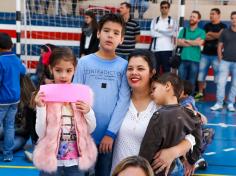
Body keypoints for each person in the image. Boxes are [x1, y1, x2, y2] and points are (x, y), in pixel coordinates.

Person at [111, 50, 197, 176]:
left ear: (152, 72)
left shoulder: (163, 105)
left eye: (140, 68)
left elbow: (193, 135)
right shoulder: (119, 101)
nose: (134, 72)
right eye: (130, 68)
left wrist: (174, 152)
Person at [73, 13, 130, 176]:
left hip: (108, 138)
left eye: (116, 33)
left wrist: (110, 134)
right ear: (98, 33)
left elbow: (123, 101)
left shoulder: (124, 66)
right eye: (106, 30)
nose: (110, 35)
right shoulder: (84, 62)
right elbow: (76, 96)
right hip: (83, 135)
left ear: (122, 39)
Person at [33, 47, 97, 176]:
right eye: (58, 70)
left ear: (75, 70)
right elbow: (40, 133)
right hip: (50, 161)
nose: (63, 75)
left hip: (75, 161)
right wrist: (41, 108)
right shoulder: (45, 96)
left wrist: (88, 111)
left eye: (68, 70)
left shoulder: (81, 94)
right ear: (51, 69)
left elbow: (90, 129)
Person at [139, 73, 202, 176]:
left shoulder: (159, 116)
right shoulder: (188, 113)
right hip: (177, 167)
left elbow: (148, 147)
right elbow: (198, 131)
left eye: (154, 89)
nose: (151, 93)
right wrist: (192, 159)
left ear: (167, 86)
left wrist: (141, 168)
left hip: (159, 170)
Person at [0, 32, 26, 162]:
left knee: (6, 126)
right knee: (9, 126)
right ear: (11, 45)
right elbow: (23, 71)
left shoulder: (0, 61)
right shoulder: (16, 59)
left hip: (2, 100)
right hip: (14, 99)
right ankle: (8, 154)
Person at [195, 8, 227, 100]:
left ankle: (219, 96)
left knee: (218, 76)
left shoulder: (223, 26)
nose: (211, 16)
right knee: (201, 75)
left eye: (213, 14)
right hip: (205, 54)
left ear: (218, 15)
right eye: (210, 14)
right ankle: (200, 93)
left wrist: (210, 34)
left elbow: (221, 36)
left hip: (217, 55)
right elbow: (205, 37)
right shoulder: (206, 26)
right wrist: (216, 35)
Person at [210, 11, 236, 112]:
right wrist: (220, 59)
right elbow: (220, 46)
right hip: (225, 61)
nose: (234, 20)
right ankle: (219, 103)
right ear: (230, 19)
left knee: (235, 85)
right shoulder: (225, 31)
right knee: (221, 83)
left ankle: (230, 103)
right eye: (233, 18)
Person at [177, 11, 206, 91]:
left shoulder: (201, 32)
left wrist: (186, 41)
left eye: (194, 17)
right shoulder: (183, 30)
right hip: (183, 59)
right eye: (191, 16)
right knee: (181, 82)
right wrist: (193, 42)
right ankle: (181, 99)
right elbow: (178, 42)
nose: (191, 18)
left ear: (198, 20)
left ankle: (190, 100)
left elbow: (200, 43)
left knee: (192, 82)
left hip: (195, 60)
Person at [150, 1, 177, 74]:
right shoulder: (155, 20)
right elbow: (153, 34)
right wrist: (166, 32)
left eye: (166, 7)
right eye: (162, 7)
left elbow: (173, 33)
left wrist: (159, 31)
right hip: (156, 49)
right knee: (156, 71)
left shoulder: (172, 21)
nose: (164, 9)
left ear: (168, 9)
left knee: (167, 71)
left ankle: (165, 85)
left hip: (168, 49)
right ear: (160, 8)